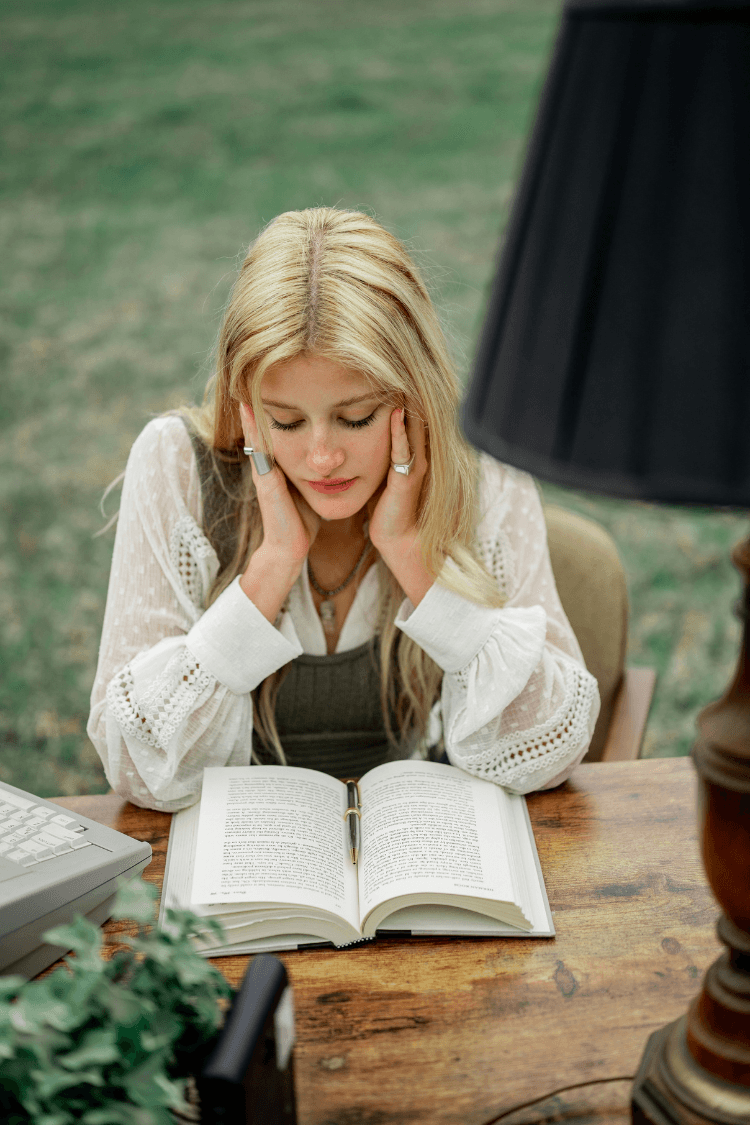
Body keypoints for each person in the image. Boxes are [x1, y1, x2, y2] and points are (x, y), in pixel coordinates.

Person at [88, 207, 600, 812]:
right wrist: (271, 567)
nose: (322, 456)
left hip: (419, 849)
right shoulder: (175, 463)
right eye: (286, 421)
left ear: (413, 394)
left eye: (354, 417)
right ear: (245, 403)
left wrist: (413, 556)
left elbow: (551, 748)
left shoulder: (484, 470)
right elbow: (136, 768)